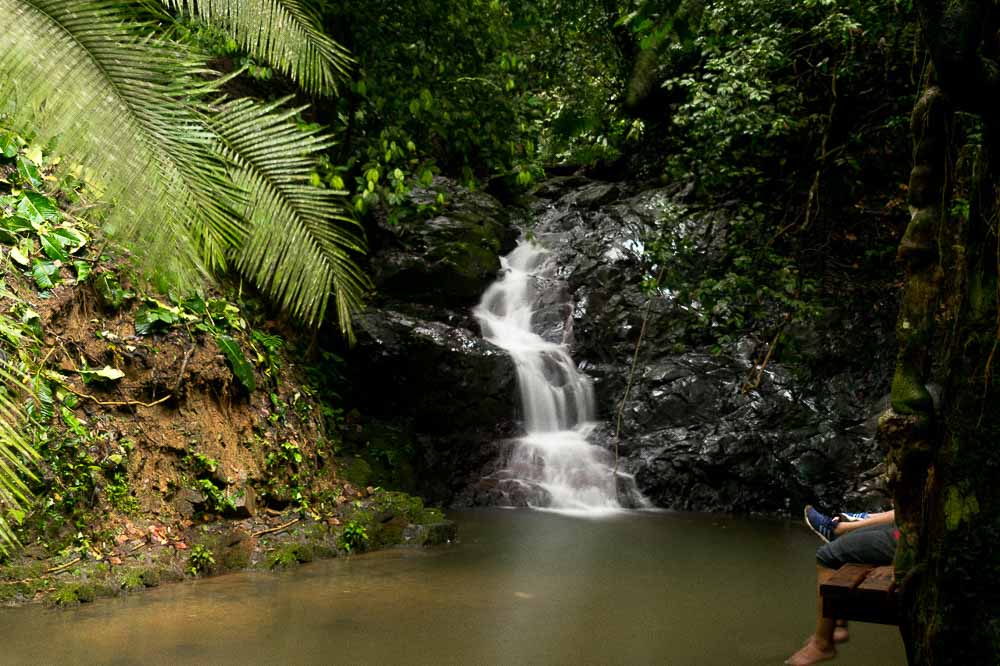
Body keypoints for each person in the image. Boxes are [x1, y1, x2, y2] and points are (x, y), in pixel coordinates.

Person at [785, 507, 898, 665]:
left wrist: (897, 563)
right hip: (906, 530)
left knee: (826, 556)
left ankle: (823, 644)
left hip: (913, 538)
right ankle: (838, 625)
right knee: (844, 542)